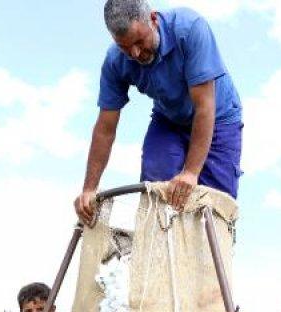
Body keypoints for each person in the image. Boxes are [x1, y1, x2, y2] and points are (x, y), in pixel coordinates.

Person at [74, 0, 243, 223]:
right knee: (156, 185)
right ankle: (157, 251)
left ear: (153, 20)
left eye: (139, 41)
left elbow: (204, 107)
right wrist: (89, 188)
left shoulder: (190, 29)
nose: (135, 53)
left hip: (218, 117)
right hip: (169, 119)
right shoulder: (115, 61)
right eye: (125, 47)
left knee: (213, 204)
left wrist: (191, 173)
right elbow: (105, 128)